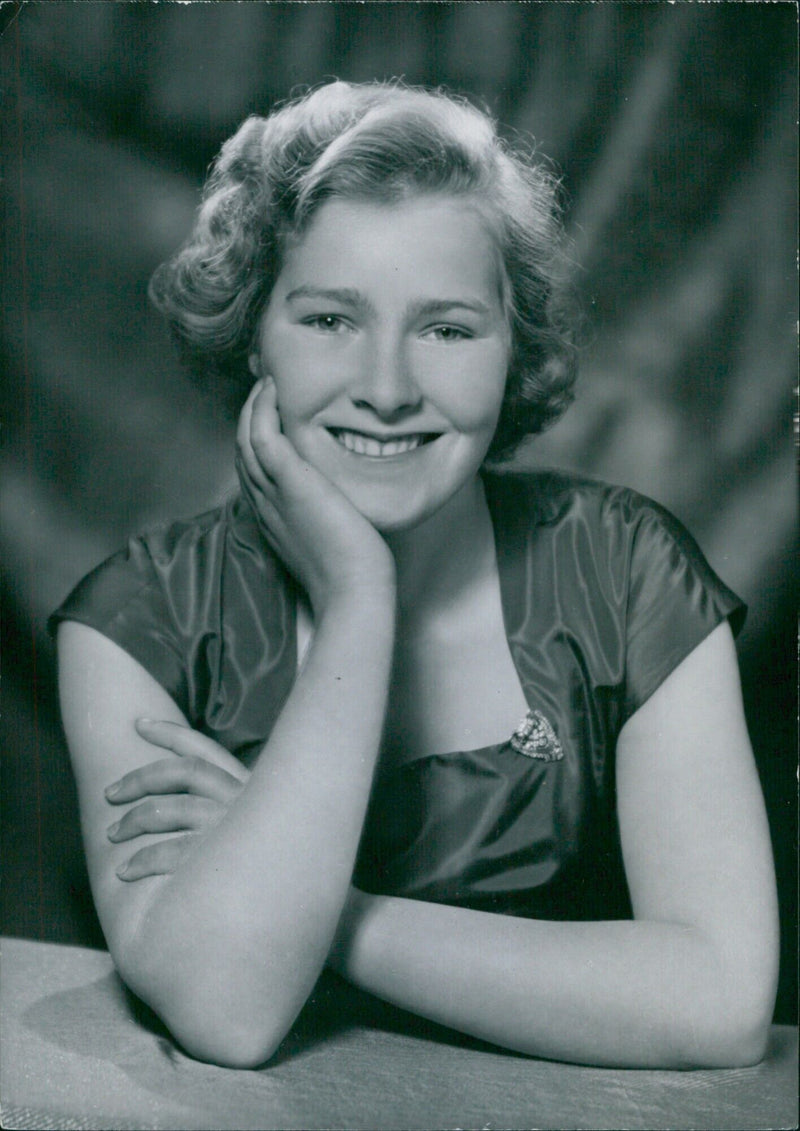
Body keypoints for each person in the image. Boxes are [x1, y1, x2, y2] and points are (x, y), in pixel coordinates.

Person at [53, 80, 778, 1070]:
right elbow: (227, 1010)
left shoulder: (623, 572)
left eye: (445, 329)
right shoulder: (138, 620)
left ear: (508, 349)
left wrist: (334, 917)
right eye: (328, 321)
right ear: (250, 332)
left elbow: (718, 1004)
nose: (387, 390)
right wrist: (359, 600)